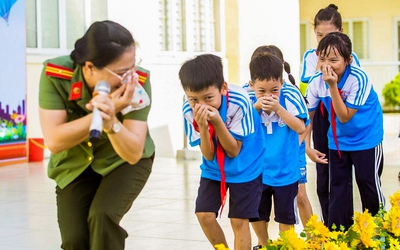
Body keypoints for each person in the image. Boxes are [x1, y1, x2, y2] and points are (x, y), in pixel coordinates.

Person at [38, 20, 155, 249]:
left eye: (133, 66)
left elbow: (132, 153)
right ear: (90, 67)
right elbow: (54, 141)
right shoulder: (56, 74)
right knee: (74, 239)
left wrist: (111, 123)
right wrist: (99, 114)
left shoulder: (138, 82)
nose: (130, 77)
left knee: (103, 217)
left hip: (122, 160)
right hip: (74, 162)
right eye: (122, 72)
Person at [179, 54, 266, 249]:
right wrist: (202, 127)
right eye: (194, 99)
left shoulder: (239, 101)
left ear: (223, 88)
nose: (201, 105)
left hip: (246, 165)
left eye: (208, 98)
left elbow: (234, 150)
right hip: (214, 168)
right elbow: (208, 155)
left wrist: (217, 121)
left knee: (239, 220)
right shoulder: (188, 109)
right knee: (204, 215)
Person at [306, 32, 384, 230]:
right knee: (338, 188)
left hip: (366, 138)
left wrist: (332, 85)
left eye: (334, 60)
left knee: (368, 184)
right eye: (322, 59)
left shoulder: (359, 78)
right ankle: (339, 235)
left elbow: (344, 116)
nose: (327, 65)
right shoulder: (316, 81)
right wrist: (307, 146)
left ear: (348, 60)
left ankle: (379, 231)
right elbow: (309, 116)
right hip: (338, 140)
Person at [300, 3, 360, 226]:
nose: (323, 40)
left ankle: (345, 226)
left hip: (342, 119)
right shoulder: (310, 57)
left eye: (330, 34)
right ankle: (329, 226)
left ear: (341, 33)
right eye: (319, 35)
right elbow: (310, 97)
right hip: (322, 119)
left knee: (341, 178)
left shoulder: (350, 57)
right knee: (323, 176)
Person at [245, 45, 312, 239]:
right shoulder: (246, 99)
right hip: (256, 171)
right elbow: (240, 129)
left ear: (282, 82)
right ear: (251, 85)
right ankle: (265, 244)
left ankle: (285, 245)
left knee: (286, 217)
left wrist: (279, 109)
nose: (269, 95)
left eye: (274, 90)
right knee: (257, 214)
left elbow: (301, 127)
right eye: (262, 90)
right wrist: (257, 106)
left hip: (285, 171)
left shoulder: (290, 96)